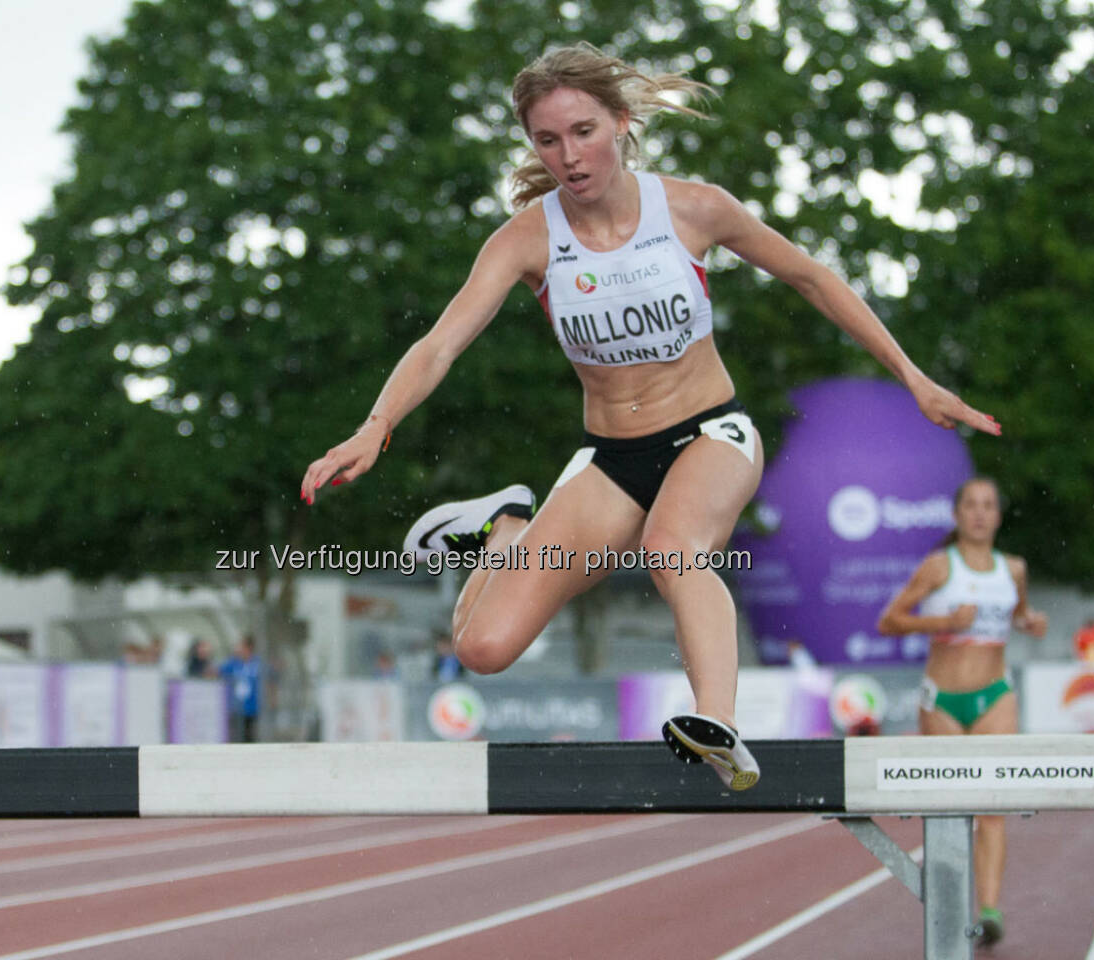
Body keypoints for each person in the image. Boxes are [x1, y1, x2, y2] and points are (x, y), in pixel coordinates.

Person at [300, 43, 999, 792]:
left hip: (711, 435)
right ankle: (507, 527)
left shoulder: (693, 208)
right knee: (483, 648)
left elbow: (811, 277)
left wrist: (912, 375)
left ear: (622, 122)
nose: (568, 156)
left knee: (675, 548)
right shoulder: (528, 240)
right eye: (547, 140)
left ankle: (719, 724)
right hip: (610, 460)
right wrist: (376, 424)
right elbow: (440, 345)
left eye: (583, 131)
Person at [876, 476, 1048, 947]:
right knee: (950, 807)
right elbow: (889, 620)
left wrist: (1029, 622)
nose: (979, 513)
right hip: (943, 701)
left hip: (995, 695)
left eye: (988, 505)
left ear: (997, 515)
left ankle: (989, 911)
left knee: (994, 806)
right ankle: (953, 909)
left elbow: (1016, 613)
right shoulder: (938, 567)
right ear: (957, 515)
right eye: (970, 505)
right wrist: (943, 622)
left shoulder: (1013, 569)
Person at [219, 635, 265, 743]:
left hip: (252, 707)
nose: (239, 649)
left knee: (249, 736)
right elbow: (217, 671)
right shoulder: (233, 662)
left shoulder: (257, 663)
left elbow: (270, 677)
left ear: (249, 648)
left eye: (242, 646)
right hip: (235, 707)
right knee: (236, 737)